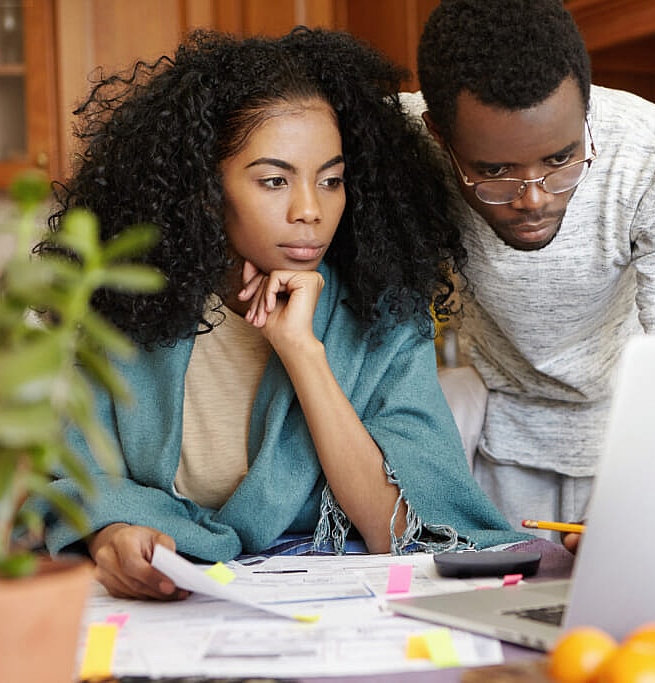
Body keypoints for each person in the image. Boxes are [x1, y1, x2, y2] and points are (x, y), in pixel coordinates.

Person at [36, 28, 530, 600]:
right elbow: (68, 486)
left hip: (342, 612)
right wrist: (112, 534)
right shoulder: (117, 311)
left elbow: (405, 531)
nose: (310, 211)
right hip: (166, 613)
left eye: (332, 181)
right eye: (274, 181)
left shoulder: (383, 313)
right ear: (203, 189)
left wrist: (302, 353)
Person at [400, 0, 655, 548]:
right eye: (494, 171)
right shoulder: (398, 140)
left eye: (560, 160)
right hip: (495, 444)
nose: (533, 199)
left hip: (633, 436)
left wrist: (644, 490)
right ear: (437, 135)